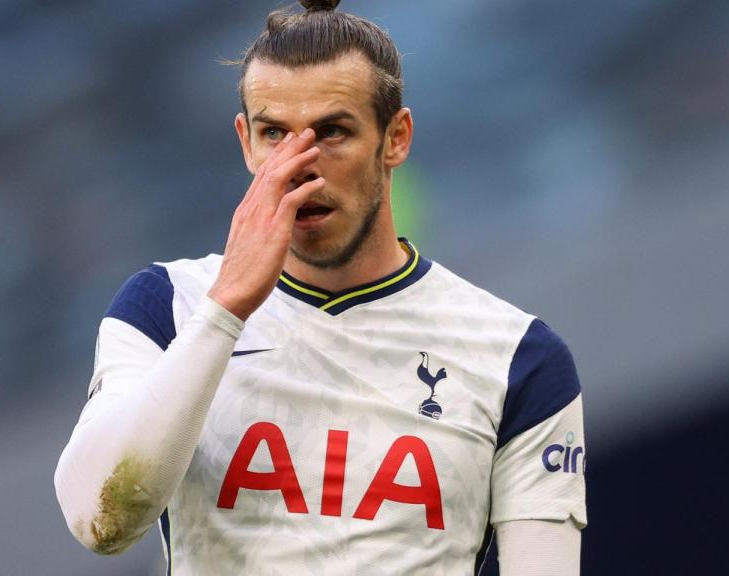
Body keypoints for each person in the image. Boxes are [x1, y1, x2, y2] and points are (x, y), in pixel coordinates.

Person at [54, 1, 586, 574]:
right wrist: (225, 309)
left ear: (396, 138)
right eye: (274, 134)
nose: (301, 166)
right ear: (245, 142)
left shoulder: (518, 359)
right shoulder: (166, 305)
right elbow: (98, 522)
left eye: (332, 132)